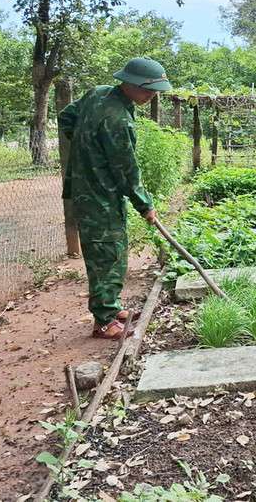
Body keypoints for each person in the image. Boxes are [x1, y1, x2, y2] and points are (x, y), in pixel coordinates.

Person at [58, 58, 172, 339]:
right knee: (108, 256)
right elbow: (127, 170)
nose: (152, 95)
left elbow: (66, 117)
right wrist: (145, 204)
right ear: (130, 83)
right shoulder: (118, 120)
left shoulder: (99, 93)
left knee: (107, 251)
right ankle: (105, 321)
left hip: (89, 188)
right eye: (148, 90)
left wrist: (87, 149)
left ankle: (110, 306)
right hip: (101, 196)